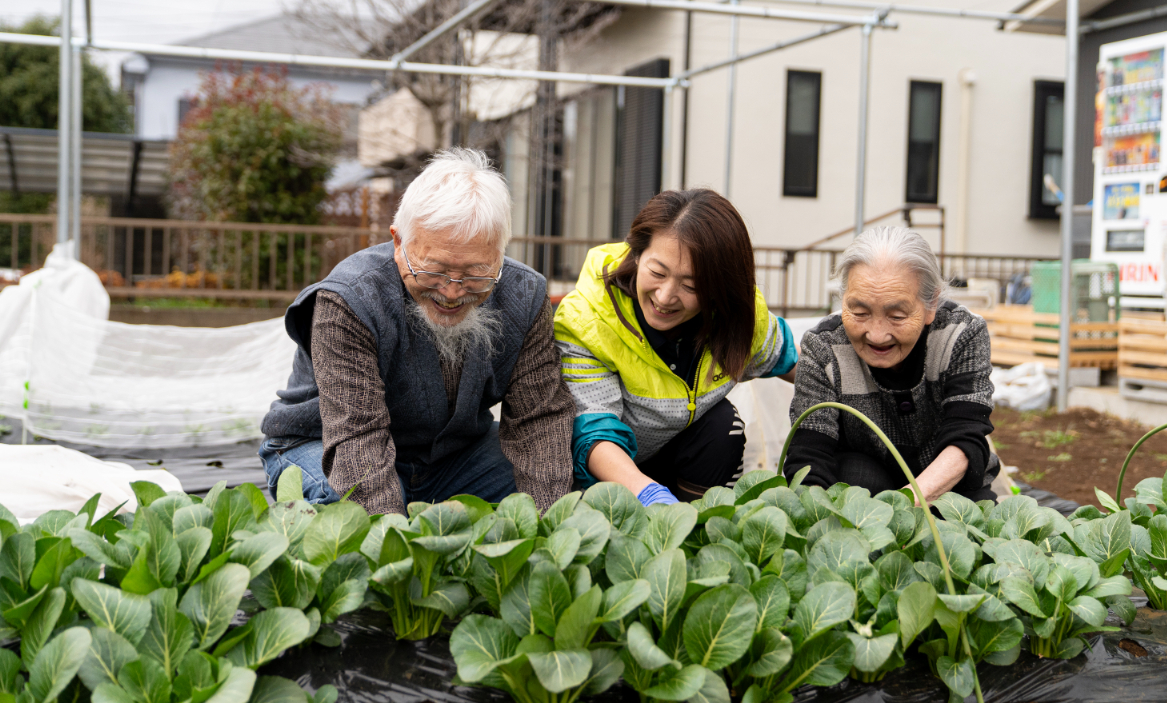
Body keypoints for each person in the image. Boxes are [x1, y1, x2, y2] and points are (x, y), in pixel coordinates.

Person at [258, 148, 574, 514]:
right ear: (398, 243)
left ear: (500, 255)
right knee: (343, 508)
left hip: (453, 456)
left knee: (562, 482)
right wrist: (394, 549)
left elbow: (539, 422)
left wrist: (547, 533)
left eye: (475, 274)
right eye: (434, 270)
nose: (453, 291)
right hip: (322, 442)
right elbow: (356, 439)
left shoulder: (525, 295)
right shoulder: (349, 300)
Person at [554, 189, 798, 506]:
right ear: (636, 254)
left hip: (670, 462)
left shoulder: (736, 317)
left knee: (723, 425)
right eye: (657, 273)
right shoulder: (588, 319)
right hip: (603, 479)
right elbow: (595, 436)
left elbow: (797, 364)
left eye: (691, 285)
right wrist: (647, 493)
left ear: (718, 289)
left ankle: (697, 531)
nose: (666, 297)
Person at [783, 226, 1000, 502]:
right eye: (859, 312)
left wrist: (904, 505)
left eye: (896, 316)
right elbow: (810, 454)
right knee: (853, 473)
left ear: (931, 304)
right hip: (863, 486)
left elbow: (965, 437)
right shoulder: (823, 347)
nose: (876, 334)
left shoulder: (962, 334)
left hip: (947, 488)